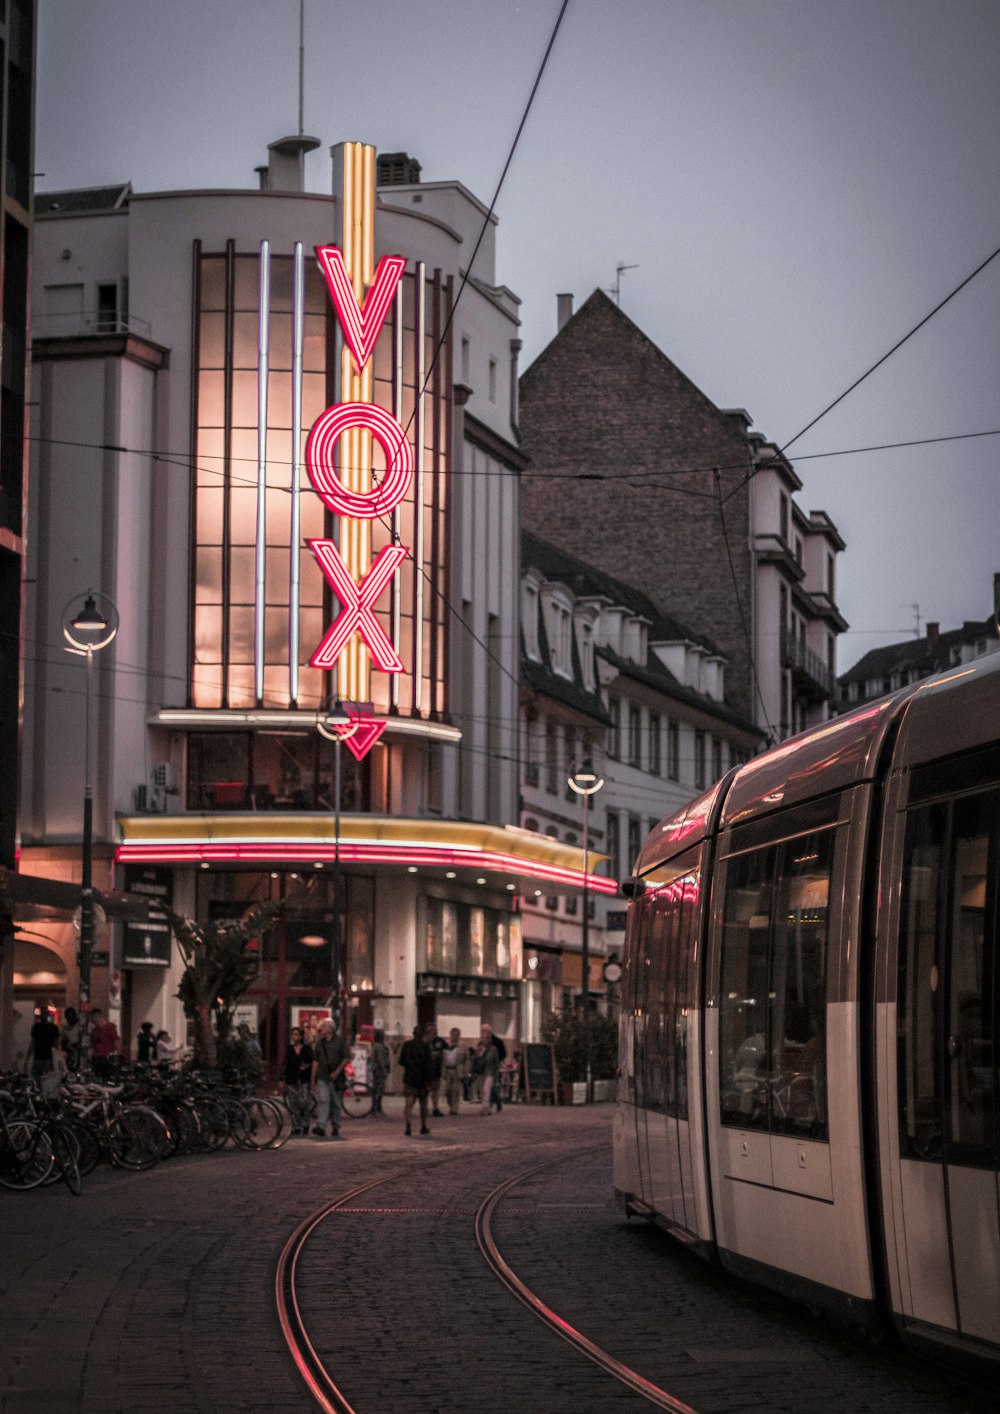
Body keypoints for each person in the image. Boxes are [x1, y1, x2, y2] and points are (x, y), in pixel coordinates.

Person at [311, 1017, 349, 1139]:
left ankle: (336, 1127)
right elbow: (315, 1061)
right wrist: (313, 1079)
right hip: (323, 1077)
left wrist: (337, 1071)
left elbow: (346, 1058)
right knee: (323, 1100)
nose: (321, 1028)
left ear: (331, 1029)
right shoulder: (320, 1043)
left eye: (324, 1026)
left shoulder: (340, 1042)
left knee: (336, 1104)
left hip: (336, 1078)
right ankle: (321, 1126)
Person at [399, 1023, 433, 1136]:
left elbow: (401, 1061)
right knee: (423, 1104)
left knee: (409, 1103)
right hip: (422, 1079)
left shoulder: (407, 1045)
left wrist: (409, 1066)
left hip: (410, 1077)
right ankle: (423, 1126)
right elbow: (429, 1064)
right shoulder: (426, 1046)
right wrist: (429, 1080)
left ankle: (408, 1124)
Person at [282, 1025, 314, 1135]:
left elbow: (312, 1061)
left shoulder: (306, 1049)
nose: (293, 1037)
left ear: (300, 1036)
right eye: (292, 1035)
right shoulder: (289, 1049)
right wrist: (281, 1079)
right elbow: (285, 1063)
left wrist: (307, 1066)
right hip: (291, 1078)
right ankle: (296, 1126)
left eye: (296, 1034)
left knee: (304, 1102)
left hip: (303, 1078)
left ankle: (305, 1124)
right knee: (293, 1104)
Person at [25, 1002, 60, 1081]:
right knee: (36, 1078)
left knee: (47, 1080)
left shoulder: (53, 1028)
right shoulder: (36, 1027)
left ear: (47, 1014)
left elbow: (56, 1044)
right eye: (42, 1013)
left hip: (48, 1057)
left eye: (45, 1013)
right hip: (38, 1057)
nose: (43, 1015)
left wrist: (56, 1058)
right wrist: (27, 1057)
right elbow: (33, 1043)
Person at [442, 1027, 469, 1115]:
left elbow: (467, 1059)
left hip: (458, 1070)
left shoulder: (463, 1046)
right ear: (450, 1035)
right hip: (448, 1070)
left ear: (459, 1035)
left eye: (457, 1035)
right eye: (453, 1035)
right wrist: (443, 1072)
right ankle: (450, 1104)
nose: (455, 1037)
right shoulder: (446, 1045)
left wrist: (466, 1071)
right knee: (447, 1090)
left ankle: (454, 1108)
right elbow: (442, 1060)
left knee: (456, 1091)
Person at [475, 1025, 501, 1116]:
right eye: (483, 1037)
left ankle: (485, 1108)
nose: (484, 1039)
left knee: (486, 1089)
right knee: (483, 1090)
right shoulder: (479, 1048)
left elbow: (496, 1062)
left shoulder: (493, 1049)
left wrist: (496, 1074)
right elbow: (475, 1059)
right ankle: (487, 1107)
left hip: (490, 1072)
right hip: (481, 1072)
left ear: (489, 1039)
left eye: (486, 1038)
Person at [90, 1008, 121, 1079]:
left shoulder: (110, 1028)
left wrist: (116, 1057)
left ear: (98, 1017)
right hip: (97, 1058)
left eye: (94, 1018)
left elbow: (116, 1042)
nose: (93, 1020)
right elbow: (93, 1045)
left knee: (107, 1077)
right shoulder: (95, 1031)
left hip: (107, 1057)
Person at [425, 1022, 447, 1117]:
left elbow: (447, 1051)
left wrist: (440, 1054)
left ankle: (435, 1108)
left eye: (435, 1031)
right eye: (431, 1031)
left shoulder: (440, 1041)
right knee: (426, 1090)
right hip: (426, 1071)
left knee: (435, 1090)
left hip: (436, 1070)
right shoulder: (424, 1042)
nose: (433, 1033)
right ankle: (424, 1108)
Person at [370, 1028, 391, 1116]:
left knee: (380, 1090)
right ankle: (375, 1109)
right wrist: (384, 1070)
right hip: (379, 1070)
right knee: (378, 1090)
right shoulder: (378, 1046)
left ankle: (378, 1108)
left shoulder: (381, 1045)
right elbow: (380, 1059)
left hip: (380, 1069)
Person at [60, 1005, 82, 1070]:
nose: (70, 1019)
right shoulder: (65, 1028)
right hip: (71, 1053)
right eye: (68, 1018)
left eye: (71, 1017)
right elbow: (63, 1044)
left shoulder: (81, 1025)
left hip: (81, 1052)